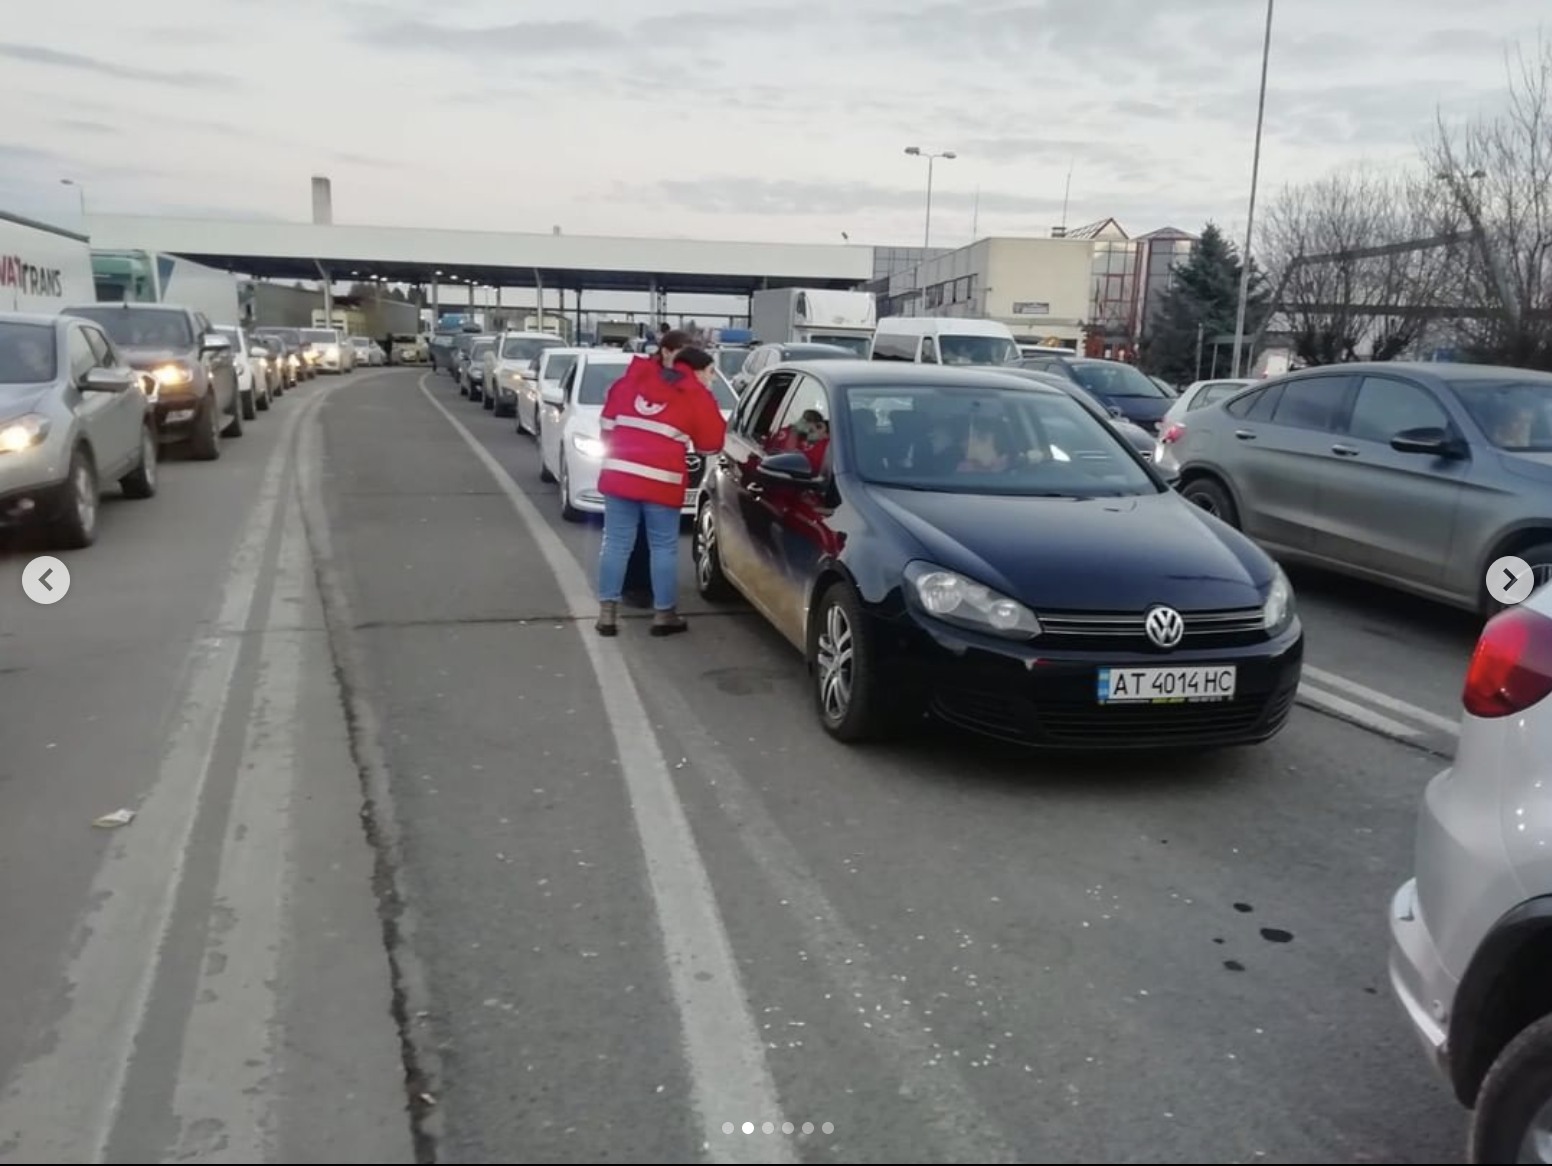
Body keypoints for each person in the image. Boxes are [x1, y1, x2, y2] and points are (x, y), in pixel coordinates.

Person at [595, 345, 727, 637]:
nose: (712, 379)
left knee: (615, 543)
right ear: (696, 371)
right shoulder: (695, 395)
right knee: (663, 547)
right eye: (710, 373)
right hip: (661, 480)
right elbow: (710, 444)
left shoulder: (631, 381)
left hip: (619, 473)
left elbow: (606, 426)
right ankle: (664, 614)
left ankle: (607, 615)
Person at [620, 330, 694, 605]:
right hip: (639, 465)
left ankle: (654, 590)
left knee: (659, 538)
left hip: (665, 470)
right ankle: (637, 587)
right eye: (681, 353)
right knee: (640, 534)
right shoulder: (644, 376)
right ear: (666, 351)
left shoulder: (687, 380)